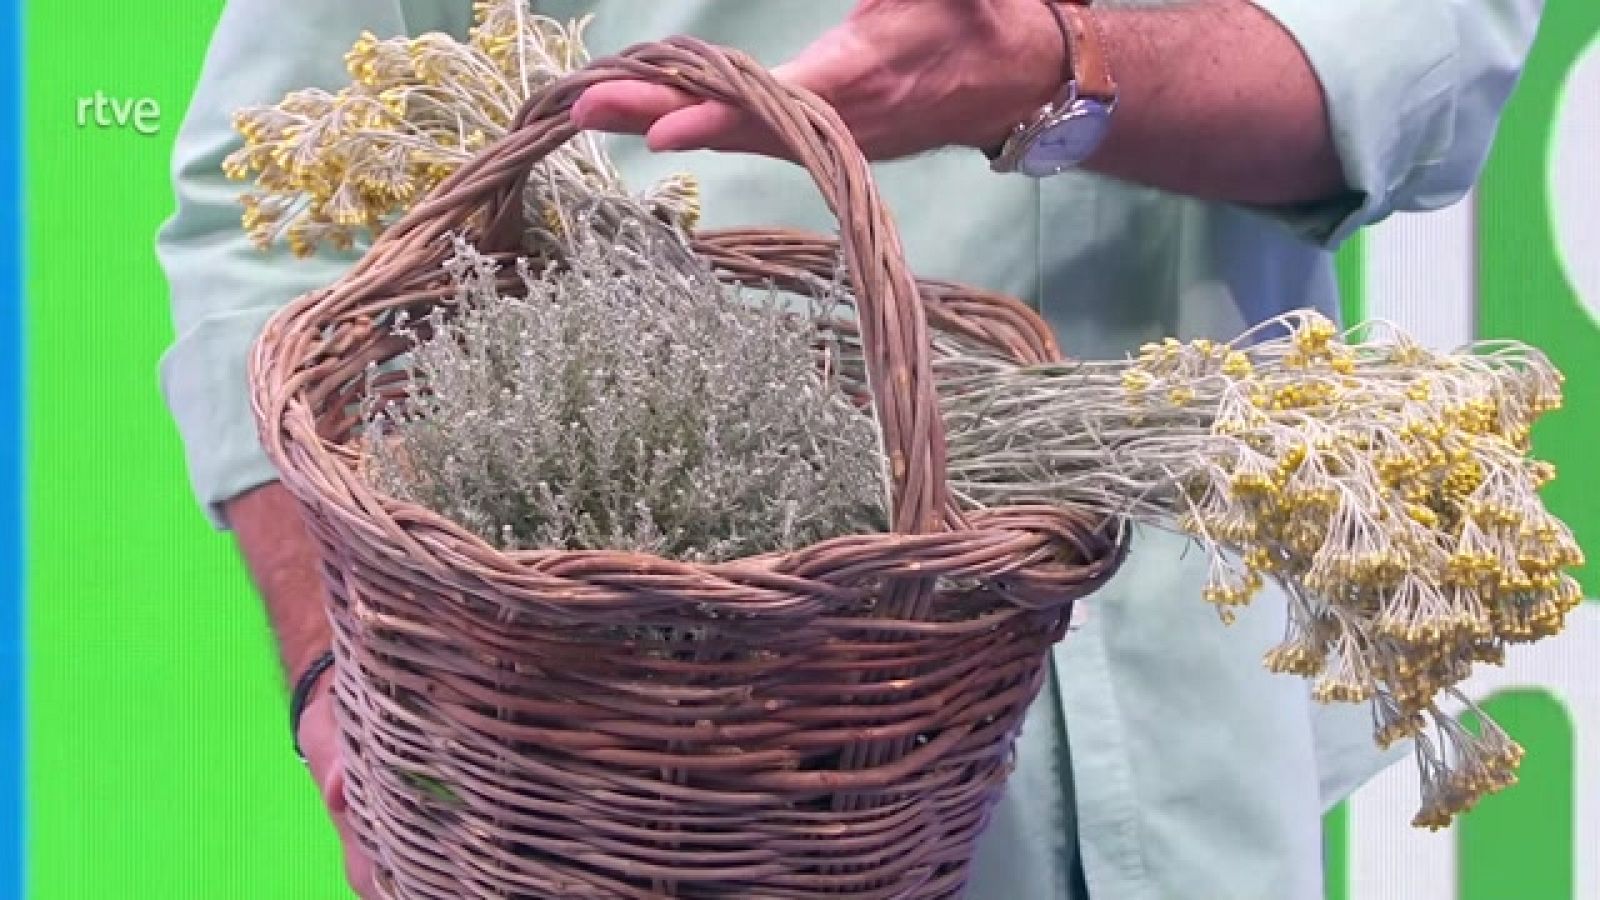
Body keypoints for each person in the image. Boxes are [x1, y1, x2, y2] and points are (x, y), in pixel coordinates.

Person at [155, 1, 1545, 897]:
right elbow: (259, 229)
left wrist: (1057, 67)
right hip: (651, 763)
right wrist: (343, 685)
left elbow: (1417, 55)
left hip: (1180, 731)